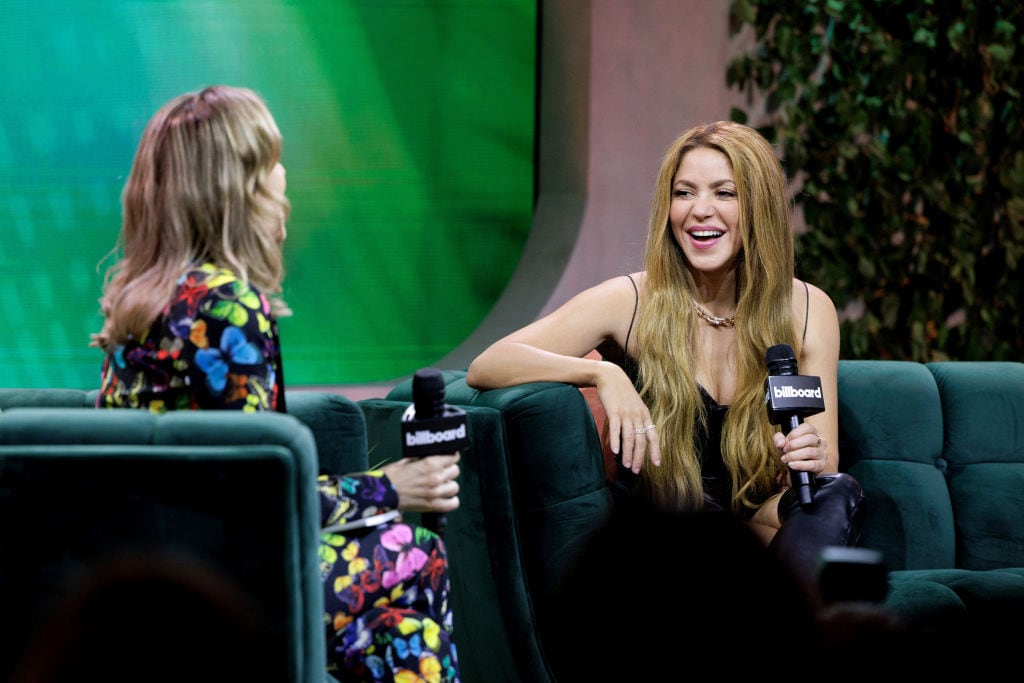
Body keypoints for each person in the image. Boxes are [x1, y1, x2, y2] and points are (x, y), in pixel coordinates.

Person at [90, 85, 462, 682]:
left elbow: (229, 480)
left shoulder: (144, 301)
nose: (286, 180)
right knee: (416, 553)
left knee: (401, 632)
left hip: (152, 565)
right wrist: (390, 488)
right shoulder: (228, 308)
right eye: (272, 164)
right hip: (215, 582)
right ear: (238, 189)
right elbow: (259, 502)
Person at [467, 120, 865, 605]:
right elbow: (489, 363)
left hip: (761, 517)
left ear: (758, 206)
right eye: (684, 193)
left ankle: (781, 625)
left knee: (835, 491)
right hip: (671, 529)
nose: (700, 211)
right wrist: (602, 373)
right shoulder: (632, 299)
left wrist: (812, 454)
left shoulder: (807, 309)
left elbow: (826, 456)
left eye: (725, 192)